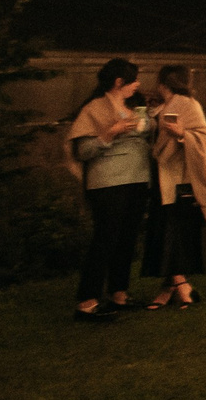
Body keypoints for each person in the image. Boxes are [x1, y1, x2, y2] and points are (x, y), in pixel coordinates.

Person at [65, 58, 156, 320]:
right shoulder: (94, 109)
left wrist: (150, 121)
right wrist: (110, 133)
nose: (137, 84)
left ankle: (119, 294)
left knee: (126, 239)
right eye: (133, 79)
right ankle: (87, 301)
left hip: (137, 180)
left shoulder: (133, 107)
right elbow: (83, 151)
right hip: (108, 183)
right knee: (105, 239)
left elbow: (147, 131)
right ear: (119, 82)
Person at [142, 64, 206, 307]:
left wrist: (183, 133)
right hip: (161, 177)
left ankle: (178, 286)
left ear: (164, 83)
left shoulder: (187, 104)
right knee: (164, 231)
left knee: (174, 232)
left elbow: (204, 138)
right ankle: (175, 285)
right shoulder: (164, 105)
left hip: (180, 179)